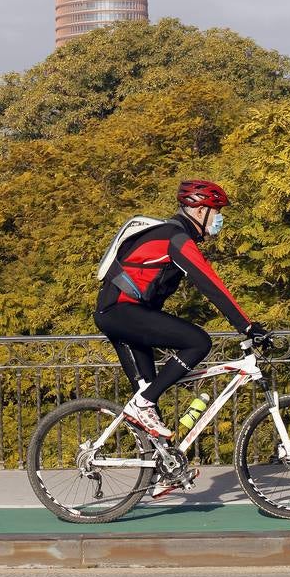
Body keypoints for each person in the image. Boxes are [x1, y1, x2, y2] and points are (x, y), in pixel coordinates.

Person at [94, 179, 269, 439]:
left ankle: (161, 475)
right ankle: (144, 403)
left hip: (121, 316)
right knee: (198, 342)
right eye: (217, 212)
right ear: (201, 211)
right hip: (122, 312)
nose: (219, 220)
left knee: (148, 404)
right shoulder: (176, 238)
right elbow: (210, 284)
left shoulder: (172, 234)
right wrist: (247, 326)